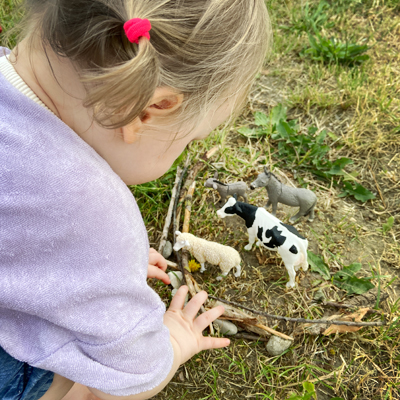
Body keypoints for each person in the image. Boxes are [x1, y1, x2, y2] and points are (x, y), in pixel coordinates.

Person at [0, 0, 272, 399]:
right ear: (147, 111)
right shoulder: (97, 212)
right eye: (191, 139)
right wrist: (174, 343)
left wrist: (76, 260)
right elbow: (123, 382)